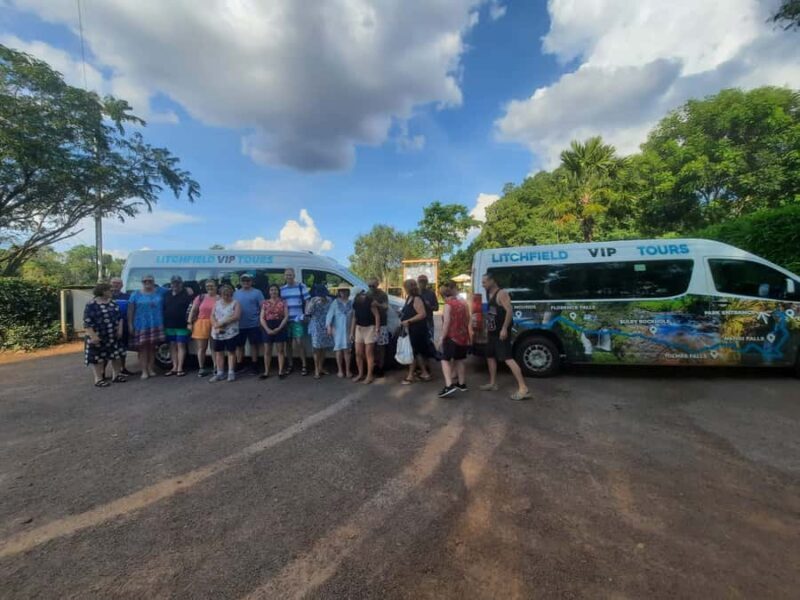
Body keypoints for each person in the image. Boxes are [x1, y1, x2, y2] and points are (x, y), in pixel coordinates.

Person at [481, 272, 531, 400]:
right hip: (492, 332)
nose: (483, 284)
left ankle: (523, 388)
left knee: (508, 358)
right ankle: (493, 383)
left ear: (492, 281)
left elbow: (509, 310)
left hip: (500, 333)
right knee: (490, 355)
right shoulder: (488, 293)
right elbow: (493, 311)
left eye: (484, 282)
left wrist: (504, 329)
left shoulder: (501, 293)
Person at [84, 282, 126, 387]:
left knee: (116, 355)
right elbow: (87, 322)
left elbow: (119, 317)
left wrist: (120, 330)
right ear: (103, 291)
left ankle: (116, 376)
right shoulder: (91, 304)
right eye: (110, 290)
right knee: (98, 358)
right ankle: (98, 379)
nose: (112, 292)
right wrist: (93, 336)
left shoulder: (112, 303)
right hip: (98, 335)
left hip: (112, 335)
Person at [128, 274, 167, 379]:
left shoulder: (160, 291)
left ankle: (150, 368)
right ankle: (144, 371)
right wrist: (130, 324)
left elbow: (173, 289)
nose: (147, 283)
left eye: (150, 281)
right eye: (145, 281)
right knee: (143, 349)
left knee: (153, 348)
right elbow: (130, 310)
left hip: (156, 323)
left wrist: (187, 288)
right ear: (142, 282)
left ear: (154, 281)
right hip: (141, 325)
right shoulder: (135, 294)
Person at [437, 281, 471, 397]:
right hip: (462, 337)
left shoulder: (448, 305)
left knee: (444, 359)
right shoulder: (463, 303)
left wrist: (441, 338)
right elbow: (467, 319)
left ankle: (449, 385)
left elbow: (446, 323)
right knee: (460, 360)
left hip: (451, 337)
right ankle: (462, 384)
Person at [400, 278, 432, 384]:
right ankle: (425, 373)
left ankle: (410, 376)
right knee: (417, 352)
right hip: (411, 329)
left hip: (417, 329)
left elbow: (422, 314)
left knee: (413, 352)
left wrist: (408, 321)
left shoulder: (417, 298)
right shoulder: (409, 297)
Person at [234, 273, 265, 375]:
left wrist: (261, 321)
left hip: (254, 324)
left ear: (251, 281)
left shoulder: (257, 292)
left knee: (254, 346)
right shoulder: (236, 293)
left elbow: (263, 308)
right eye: (243, 281)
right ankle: (239, 364)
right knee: (239, 346)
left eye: (248, 280)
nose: (246, 282)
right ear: (240, 282)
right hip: (239, 324)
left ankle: (255, 364)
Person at [281, 268, 309, 376]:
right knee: (288, 344)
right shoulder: (282, 289)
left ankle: (304, 365)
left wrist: (305, 314)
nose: (289, 277)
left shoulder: (301, 286)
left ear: (294, 275)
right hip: (286, 320)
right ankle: (290, 365)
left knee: (299, 342)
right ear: (284, 276)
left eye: (291, 275)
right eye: (287, 275)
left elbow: (307, 301)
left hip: (297, 319)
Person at [210, 284, 241, 382]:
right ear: (221, 294)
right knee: (219, 352)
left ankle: (231, 372)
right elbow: (212, 315)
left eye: (228, 294)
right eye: (224, 294)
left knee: (231, 352)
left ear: (231, 294)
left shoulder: (235, 303)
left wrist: (222, 322)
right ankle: (220, 373)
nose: (226, 296)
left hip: (231, 332)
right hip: (217, 333)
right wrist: (215, 324)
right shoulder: (217, 303)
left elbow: (236, 316)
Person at [163, 275, 192, 377]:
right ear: (171, 284)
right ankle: (174, 367)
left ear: (181, 283)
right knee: (172, 345)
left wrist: (189, 322)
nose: (175, 285)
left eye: (178, 283)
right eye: (173, 283)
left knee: (181, 345)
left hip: (182, 325)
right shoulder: (166, 294)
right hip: (169, 324)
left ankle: (180, 368)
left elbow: (191, 308)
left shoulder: (187, 294)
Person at [188, 279, 219, 377]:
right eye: (208, 286)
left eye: (212, 285)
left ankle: (216, 367)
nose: (210, 287)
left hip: (215, 323)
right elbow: (193, 310)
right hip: (201, 322)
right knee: (202, 348)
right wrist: (189, 323)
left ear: (216, 286)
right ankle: (201, 368)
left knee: (214, 347)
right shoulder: (200, 297)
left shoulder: (220, 298)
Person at [349, 288, 379, 384]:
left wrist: (377, 329)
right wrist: (351, 332)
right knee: (358, 353)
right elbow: (354, 317)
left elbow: (377, 316)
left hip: (370, 328)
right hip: (359, 328)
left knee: (369, 353)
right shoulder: (355, 303)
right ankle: (360, 374)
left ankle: (369, 376)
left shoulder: (370, 302)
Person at [259, 284, 289, 379]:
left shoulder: (283, 302)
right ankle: (266, 372)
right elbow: (262, 318)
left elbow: (286, 316)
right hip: (267, 326)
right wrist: (267, 329)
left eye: (275, 290)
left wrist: (279, 328)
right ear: (269, 292)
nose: (273, 292)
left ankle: (280, 371)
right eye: (271, 290)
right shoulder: (265, 303)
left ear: (278, 291)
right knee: (267, 351)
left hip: (280, 326)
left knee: (280, 350)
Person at [305, 283, 334, 379]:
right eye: (319, 294)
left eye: (323, 294)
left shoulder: (330, 300)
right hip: (316, 326)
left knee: (323, 348)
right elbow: (308, 312)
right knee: (316, 349)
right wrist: (313, 303)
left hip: (326, 325)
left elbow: (332, 312)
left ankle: (321, 367)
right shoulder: (313, 300)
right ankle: (316, 369)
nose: (321, 296)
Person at [326, 284, 353, 378]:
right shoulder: (335, 302)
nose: (343, 292)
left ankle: (348, 370)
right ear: (339, 292)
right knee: (338, 350)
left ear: (348, 292)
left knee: (347, 350)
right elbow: (329, 315)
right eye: (341, 291)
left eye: (345, 290)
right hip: (337, 330)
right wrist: (328, 326)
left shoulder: (351, 302)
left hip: (348, 330)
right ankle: (340, 370)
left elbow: (354, 317)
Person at [109, 277, 133, 375]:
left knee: (123, 348)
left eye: (118, 283)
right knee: (108, 349)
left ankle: (123, 368)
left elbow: (131, 310)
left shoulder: (127, 296)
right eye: (114, 283)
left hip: (124, 325)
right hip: (109, 326)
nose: (116, 285)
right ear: (110, 284)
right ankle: (103, 372)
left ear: (122, 285)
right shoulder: (105, 296)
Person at [367, 277, 390, 377]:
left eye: (373, 285)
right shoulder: (367, 294)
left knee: (381, 347)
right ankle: (373, 366)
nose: (371, 287)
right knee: (371, 347)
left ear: (377, 285)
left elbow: (386, 307)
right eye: (369, 285)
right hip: (370, 324)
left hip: (382, 324)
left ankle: (381, 367)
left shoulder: (382, 294)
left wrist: (378, 305)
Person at [417, 274, 439, 341]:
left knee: (430, 342)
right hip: (417, 323)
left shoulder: (431, 293)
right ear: (418, 282)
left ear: (426, 283)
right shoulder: (415, 293)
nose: (422, 283)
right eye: (420, 281)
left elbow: (436, 308)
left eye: (424, 282)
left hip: (429, 322)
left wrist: (429, 306)